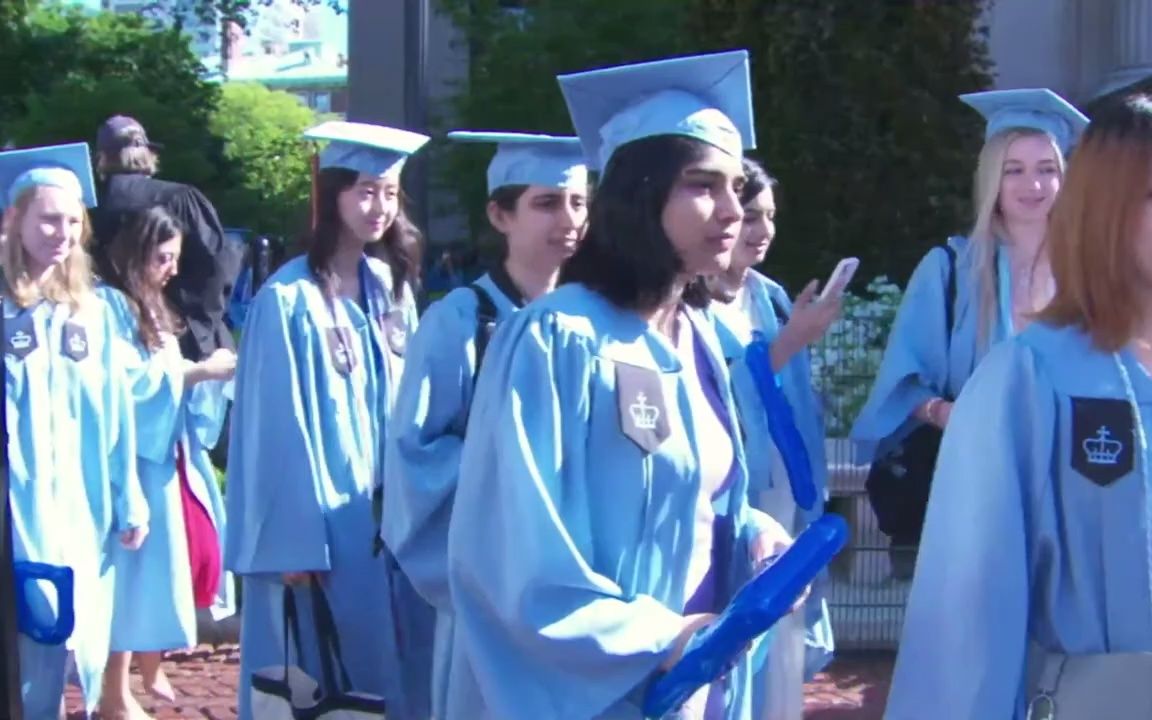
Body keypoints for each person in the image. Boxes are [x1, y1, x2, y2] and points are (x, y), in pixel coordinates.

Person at [444, 50, 795, 720]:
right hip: (602, 693)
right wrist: (658, 638)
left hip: (696, 681)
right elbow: (514, 552)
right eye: (701, 185)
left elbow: (688, 495)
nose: (732, 210)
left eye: (735, 188)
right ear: (640, 193)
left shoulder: (696, 339)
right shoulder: (558, 338)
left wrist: (750, 533)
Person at [883, 92, 1152, 719]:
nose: (1032, 185)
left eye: (1045, 168)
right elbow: (968, 628)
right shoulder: (1030, 378)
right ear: (1109, 207)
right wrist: (937, 411)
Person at [224, 120, 432, 720]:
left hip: (389, 521)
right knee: (319, 678)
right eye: (365, 190)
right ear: (332, 193)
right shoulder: (286, 302)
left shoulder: (392, 289)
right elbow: (273, 432)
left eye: (390, 193)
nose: (379, 207)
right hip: (322, 537)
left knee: (397, 670)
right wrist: (293, 543)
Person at [382, 130, 589, 717]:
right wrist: (508, 477)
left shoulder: (593, 322)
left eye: (578, 203)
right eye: (546, 203)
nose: (568, 220)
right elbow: (415, 450)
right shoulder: (461, 321)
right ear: (500, 214)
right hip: (493, 575)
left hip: (577, 573)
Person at [850, 89, 1088, 577]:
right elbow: (903, 383)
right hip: (973, 479)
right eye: (1013, 169)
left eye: (1047, 168)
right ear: (991, 178)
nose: (1033, 184)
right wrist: (948, 414)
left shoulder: (1090, 272)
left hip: (1072, 479)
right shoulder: (951, 271)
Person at [0, 142, 148, 717]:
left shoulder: (96, 310)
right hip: (16, 507)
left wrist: (128, 495)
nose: (60, 233)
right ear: (14, 220)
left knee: (76, 633)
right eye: (46, 219)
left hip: (81, 510)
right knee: (24, 643)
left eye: (70, 220)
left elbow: (116, 411)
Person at [708, 157, 839, 720]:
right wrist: (790, 342)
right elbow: (716, 396)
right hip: (731, 494)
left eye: (769, 217)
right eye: (750, 216)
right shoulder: (689, 303)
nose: (761, 231)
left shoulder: (769, 296)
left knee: (781, 642)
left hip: (785, 488)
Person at [96, 206, 235, 719]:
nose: (171, 268)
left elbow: (161, 373)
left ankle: (145, 674)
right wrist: (199, 373)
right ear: (135, 254)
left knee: (156, 575)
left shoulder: (148, 304)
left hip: (162, 454)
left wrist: (204, 377)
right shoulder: (108, 307)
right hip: (131, 460)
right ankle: (114, 692)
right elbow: (125, 387)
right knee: (130, 579)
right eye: (163, 257)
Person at [90, 115, 241, 362]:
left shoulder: (88, 209)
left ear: (102, 159)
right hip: (185, 337)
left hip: (110, 336)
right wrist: (201, 328)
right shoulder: (180, 197)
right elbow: (216, 264)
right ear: (148, 154)